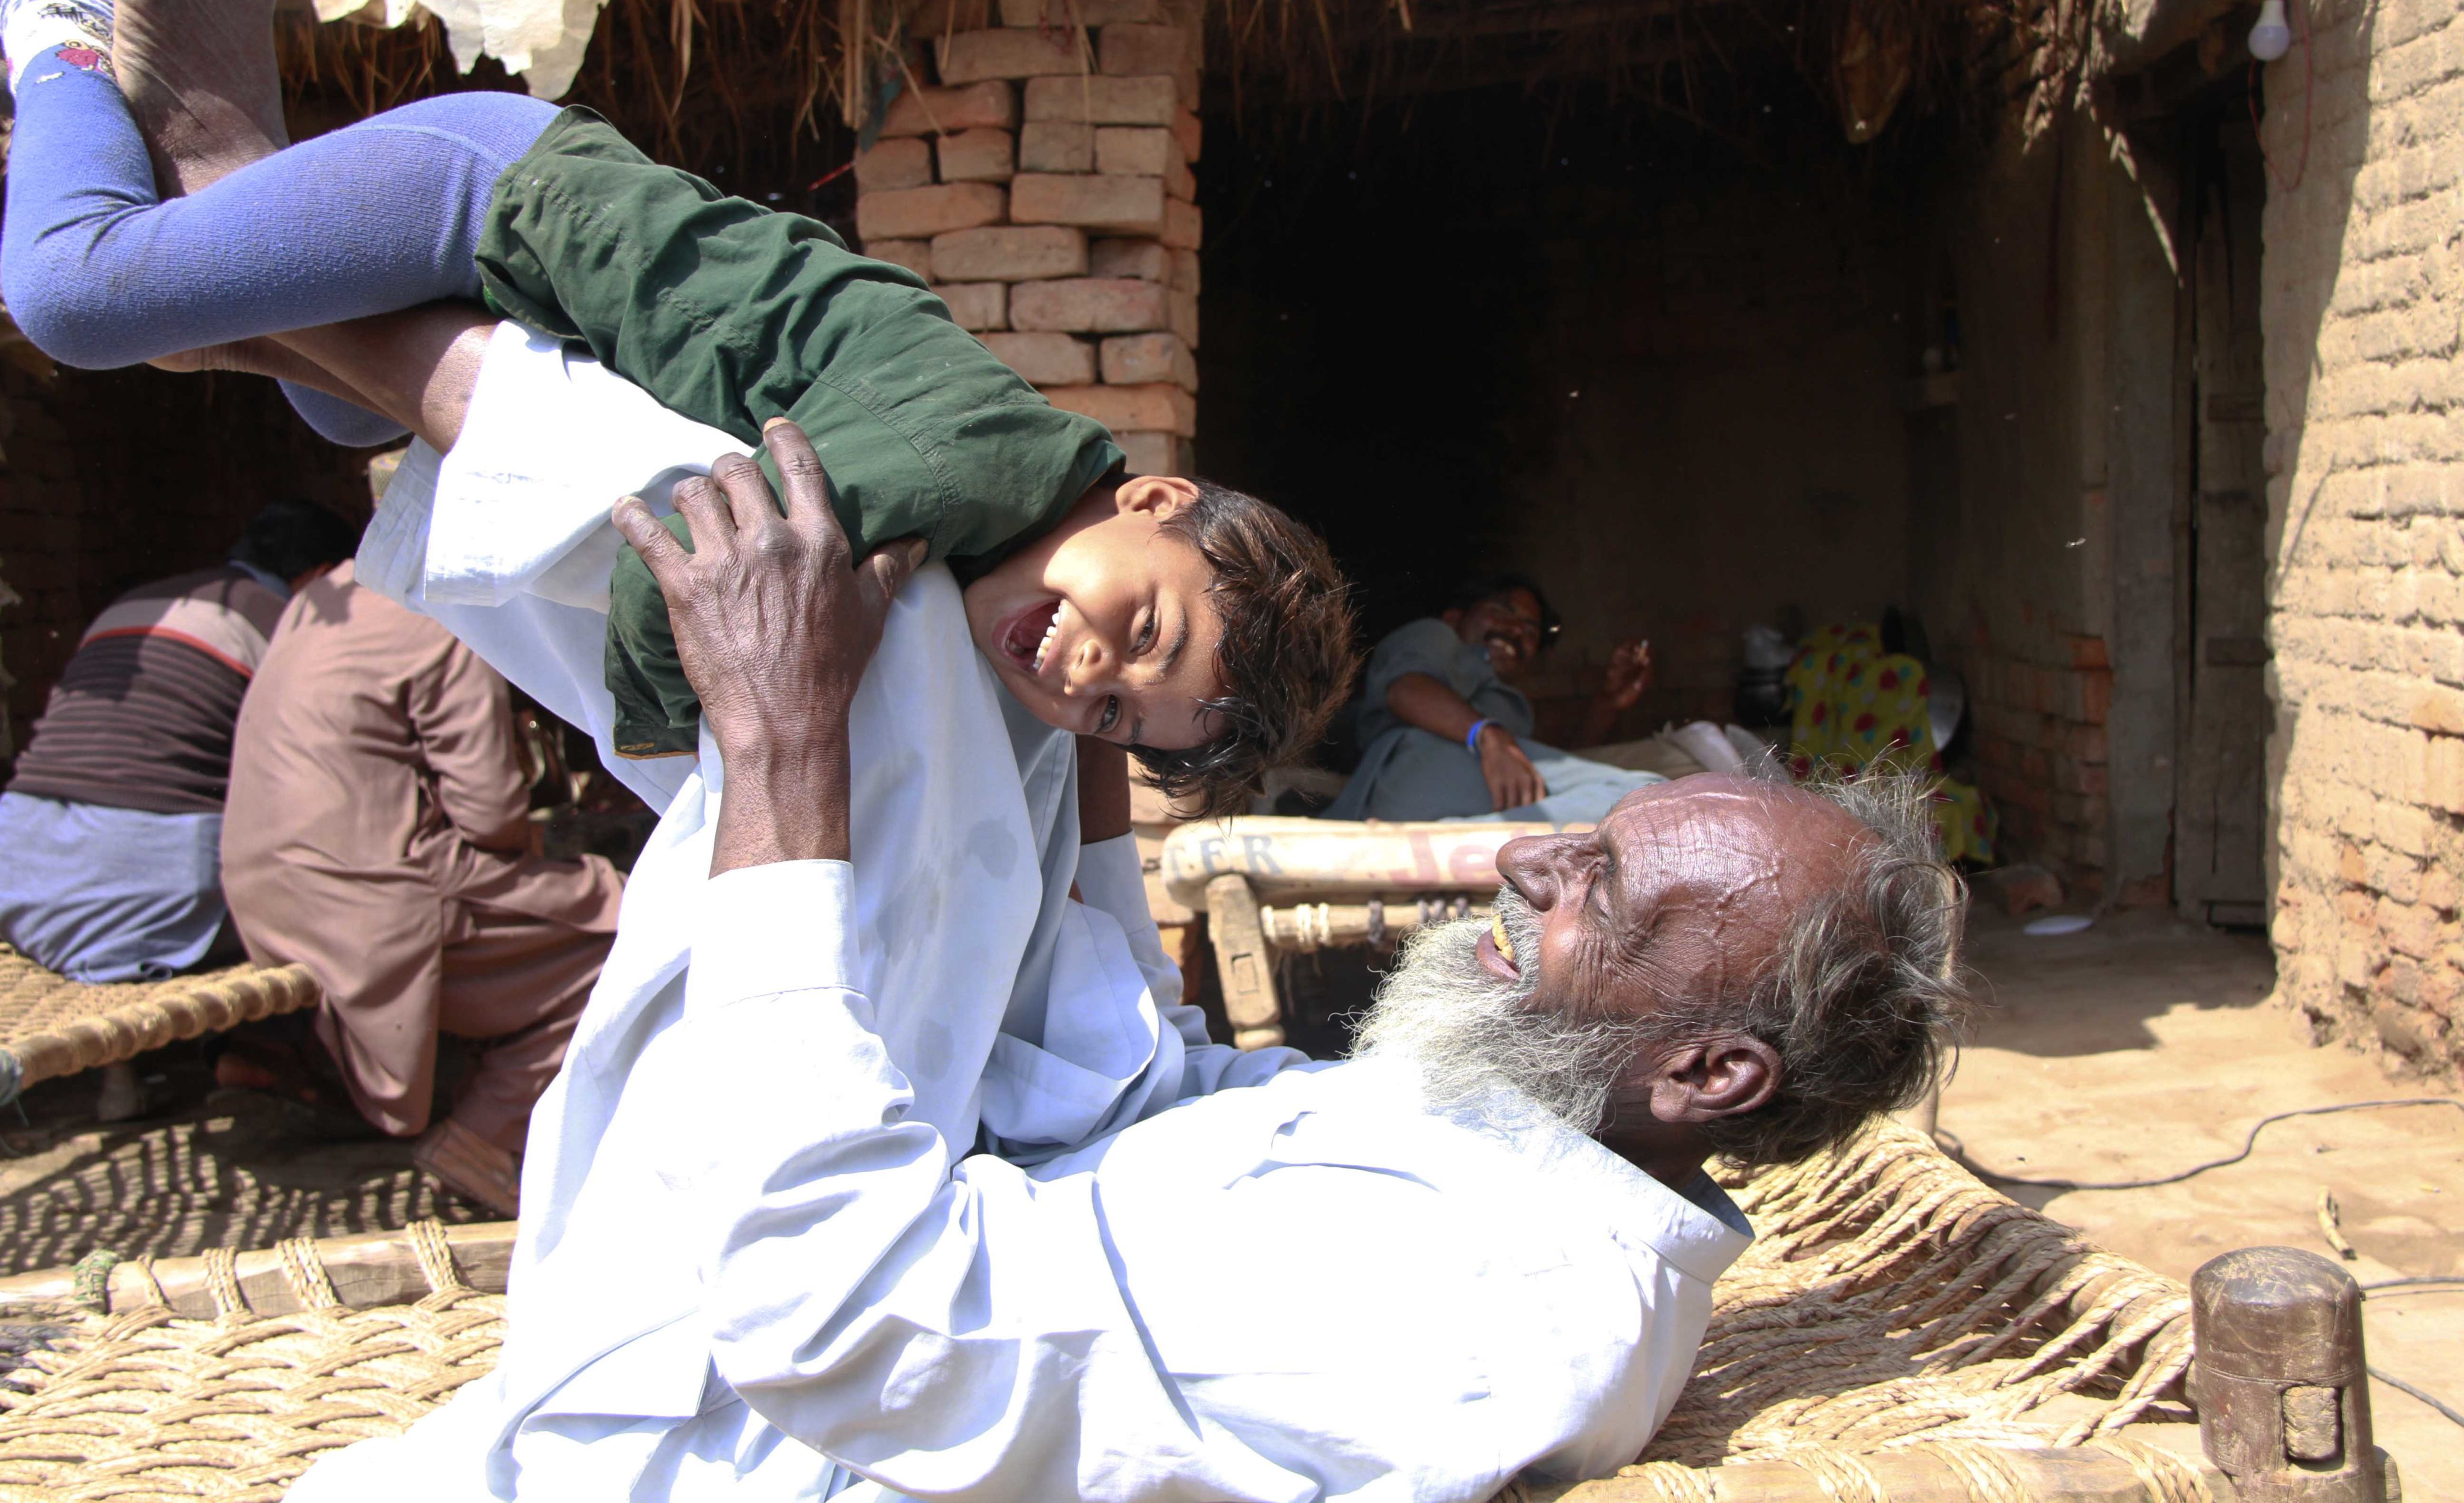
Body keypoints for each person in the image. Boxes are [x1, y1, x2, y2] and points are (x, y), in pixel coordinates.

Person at [291, 418, 1967, 1502]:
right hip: (758, 1331)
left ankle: (427, 380)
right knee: (945, 693)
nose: (1532, 865)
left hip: (700, 1428)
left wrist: (787, 750)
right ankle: (433, 388)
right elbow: (1168, 1091)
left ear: (1705, 1071)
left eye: (1600, 886)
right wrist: (1088, 762)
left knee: (866, 684)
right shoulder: (1516, 1156)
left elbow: (847, 1326)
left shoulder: (1459, 1298)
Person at [0, 0, 1354, 816]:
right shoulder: (960, 464)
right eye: (1144, 627)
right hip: (494, 202)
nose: (1083, 670)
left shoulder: (996, 520)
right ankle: (54, 21)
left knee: (334, 408)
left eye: (1113, 713)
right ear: (1156, 498)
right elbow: (687, 573)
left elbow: (1066, 740)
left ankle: (233, 163)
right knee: (81, 297)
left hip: (509, 264)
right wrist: (701, 754)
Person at [220, 557, 627, 1214]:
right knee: (630, 930)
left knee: (571, 903)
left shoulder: (323, 593)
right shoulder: (445, 608)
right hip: (368, 895)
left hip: (262, 890)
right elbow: (490, 814)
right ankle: (485, 1133)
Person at [0, 498, 354, 982]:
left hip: (17, 870)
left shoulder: (138, 603)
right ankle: (252, 1054)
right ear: (321, 577)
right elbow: (327, 775)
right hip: (144, 882)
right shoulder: (289, 621)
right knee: (345, 905)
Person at [1329, 573, 1663, 823]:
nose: (1517, 630)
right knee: (1651, 800)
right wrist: (1489, 737)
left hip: (1470, 803)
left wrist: (1606, 705)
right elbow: (1406, 690)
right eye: (1503, 611)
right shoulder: (1437, 636)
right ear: (1455, 617)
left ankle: (1467, 841)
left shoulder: (1509, 705)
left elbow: (1542, 772)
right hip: (1413, 773)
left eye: (1530, 632)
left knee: (1650, 798)